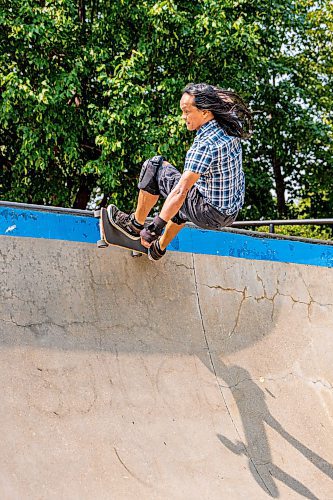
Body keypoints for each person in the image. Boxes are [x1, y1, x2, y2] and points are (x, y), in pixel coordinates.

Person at [107, 82, 252, 261]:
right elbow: (225, 98)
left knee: (155, 167)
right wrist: (207, 93)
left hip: (208, 213)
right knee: (184, 203)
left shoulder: (204, 145)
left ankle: (134, 225)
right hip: (230, 212)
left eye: (187, 111)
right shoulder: (230, 123)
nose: (183, 117)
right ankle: (157, 249)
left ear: (205, 112)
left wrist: (155, 227)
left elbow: (180, 191)